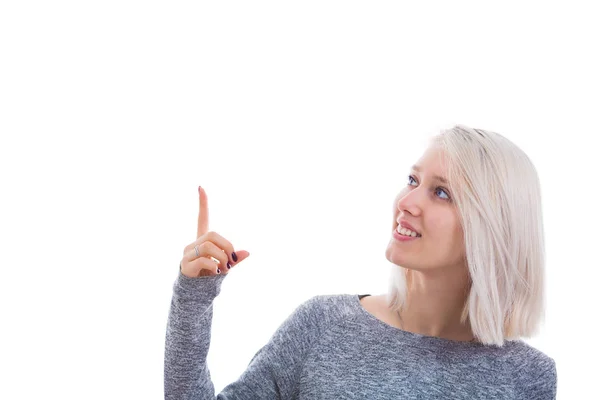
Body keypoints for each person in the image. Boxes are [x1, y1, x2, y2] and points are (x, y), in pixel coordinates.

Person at [164, 125, 557, 399]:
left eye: (441, 193)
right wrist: (192, 299)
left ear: (491, 228)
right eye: (413, 180)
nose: (406, 203)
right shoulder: (323, 323)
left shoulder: (528, 377)